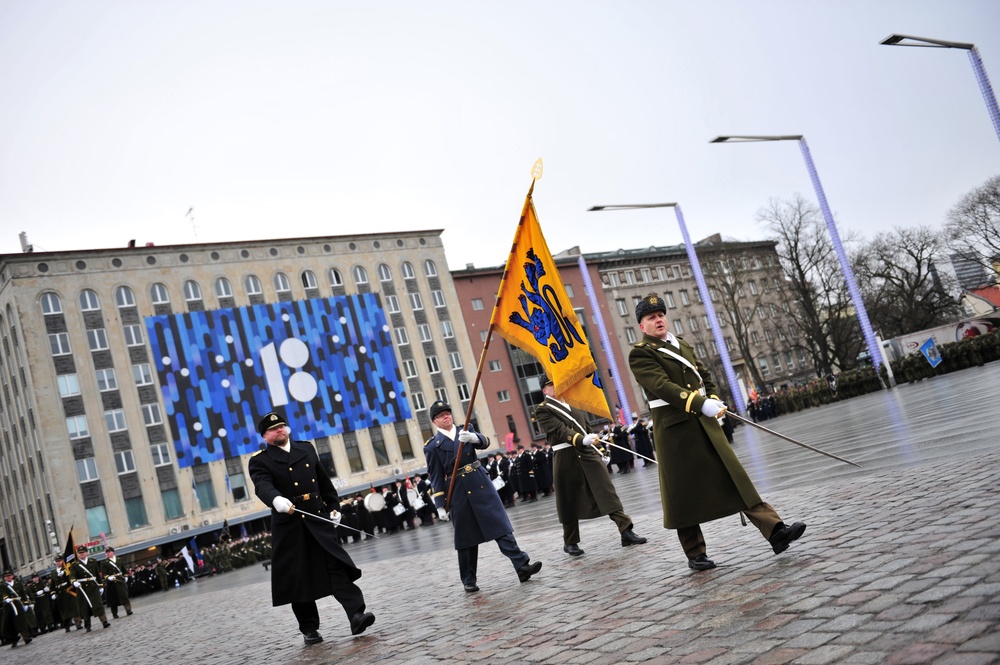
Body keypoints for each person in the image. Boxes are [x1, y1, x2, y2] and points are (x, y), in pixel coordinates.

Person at [628, 294, 807, 571]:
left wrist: (713, 398)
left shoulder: (682, 345)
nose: (659, 320)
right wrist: (700, 403)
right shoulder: (641, 353)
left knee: (735, 477)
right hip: (675, 431)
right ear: (642, 326)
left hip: (705, 423)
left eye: (661, 314)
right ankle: (695, 553)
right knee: (683, 494)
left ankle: (776, 531)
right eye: (651, 318)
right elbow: (662, 386)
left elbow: (704, 375)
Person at [248, 410, 375, 645]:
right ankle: (309, 629)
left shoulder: (306, 449)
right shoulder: (259, 461)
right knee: (300, 579)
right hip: (291, 527)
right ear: (265, 436)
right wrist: (276, 499)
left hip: (317, 518)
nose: (280, 430)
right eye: (274, 429)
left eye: (282, 426)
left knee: (335, 567)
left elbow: (324, 482)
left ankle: (357, 614)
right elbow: (262, 485)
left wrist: (334, 507)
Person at [423, 400, 541, 593]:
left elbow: (486, 442)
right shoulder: (432, 446)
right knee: (466, 538)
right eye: (441, 415)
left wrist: (473, 438)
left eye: (448, 412)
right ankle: (468, 579)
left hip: (479, 483)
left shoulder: (466, 429)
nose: (447, 416)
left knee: (501, 527)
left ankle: (522, 566)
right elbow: (435, 476)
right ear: (435, 422)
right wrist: (440, 505)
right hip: (458, 491)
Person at [534, 378, 648, 557]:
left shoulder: (572, 404)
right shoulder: (543, 410)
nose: (555, 388)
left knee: (607, 491)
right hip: (566, 457)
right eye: (550, 386)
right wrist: (580, 439)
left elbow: (586, 428)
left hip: (587, 453)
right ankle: (570, 541)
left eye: (556, 384)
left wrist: (601, 450)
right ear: (544, 391)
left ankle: (626, 530)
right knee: (569, 500)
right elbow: (559, 430)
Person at [69, 545, 110, 631]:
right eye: (80, 553)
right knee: (85, 607)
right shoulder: (75, 565)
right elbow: (72, 575)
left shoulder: (93, 561)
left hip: (93, 586)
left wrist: (101, 585)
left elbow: (97, 574)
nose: (81, 554)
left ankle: (104, 621)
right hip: (82, 588)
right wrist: (74, 581)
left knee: (98, 604)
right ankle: (87, 625)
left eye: (83, 552)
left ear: (86, 553)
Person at [98, 547, 133, 619]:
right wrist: (108, 577)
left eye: (109, 552)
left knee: (124, 596)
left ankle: (128, 610)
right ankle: (114, 614)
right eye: (106, 552)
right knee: (113, 598)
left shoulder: (119, 560)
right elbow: (104, 573)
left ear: (113, 552)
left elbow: (124, 570)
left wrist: (125, 576)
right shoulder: (104, 562)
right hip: (111, 581)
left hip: (120, 579)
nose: (107, 553)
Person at [1, 569, 32, 648]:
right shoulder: (3, 585)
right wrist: (6, 598)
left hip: (18, 604)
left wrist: (26, 603)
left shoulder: (18, 583)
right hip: (9, 605)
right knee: (10, 623)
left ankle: (26, 637)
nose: (8, 578)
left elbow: (23, 594)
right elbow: (3, 593)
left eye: (9, 576)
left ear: (12, 576)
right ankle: (14, 640)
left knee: (21, 621)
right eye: (6, 576)